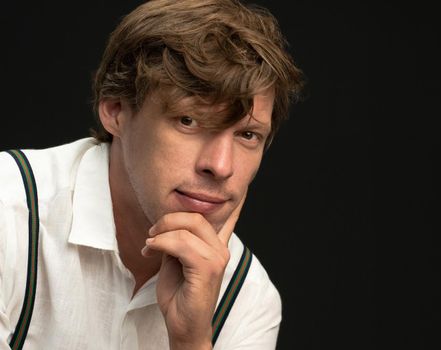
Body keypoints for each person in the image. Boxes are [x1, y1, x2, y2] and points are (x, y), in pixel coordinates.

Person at [0, 0, 303, 349]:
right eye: (188, 121)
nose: (220, 166)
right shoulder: (12, 214)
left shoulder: (247, 298)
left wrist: (192, 340)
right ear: (116, 111)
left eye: (247, 135)